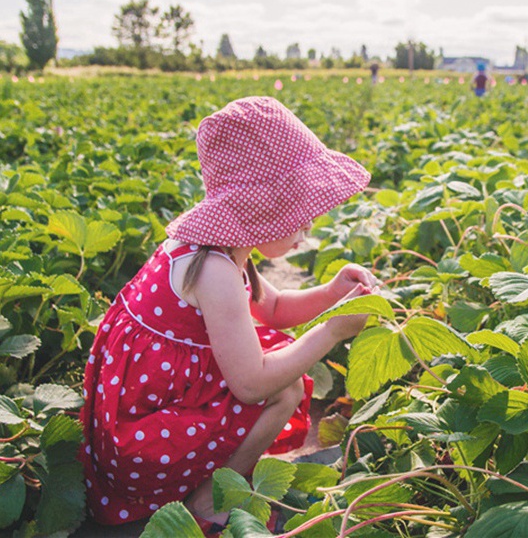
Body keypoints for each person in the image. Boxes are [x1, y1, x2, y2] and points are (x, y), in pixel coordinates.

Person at [79, 97, 375, 533]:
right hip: (140, 435)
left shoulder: (223, 247)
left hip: (157, 396)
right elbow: (251, 384)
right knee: (284, 386)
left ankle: (211, 481)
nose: (308, 227)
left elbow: (272, 310)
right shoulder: (213, 269)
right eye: (299, 214)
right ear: (262, 209)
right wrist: (331, 332)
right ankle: (211, 499)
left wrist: (333, 294)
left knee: (275, 351)